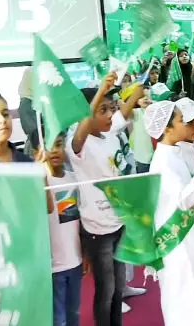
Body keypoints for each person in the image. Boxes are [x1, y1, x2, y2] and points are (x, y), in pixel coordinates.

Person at [145, 100, 194, 326]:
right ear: (167, 128)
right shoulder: (162, 161)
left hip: (189, 231)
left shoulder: (174, 153)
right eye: (182, 121)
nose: (188, 125)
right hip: (177, 240)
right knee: (183, 291)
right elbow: (181, 200)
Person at [66, 72, 127, 326]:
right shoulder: (77, 143)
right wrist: (101, 89)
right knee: (106, 290)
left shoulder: (111, 138)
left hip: (119, 220)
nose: (109, 115)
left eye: (111, 109)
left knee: (119, 287)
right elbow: (81, 131)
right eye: (102, 110)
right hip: (97, 227)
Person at [45, 133, 85, 326]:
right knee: (58, 319)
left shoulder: (73, 178)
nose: (54, 150)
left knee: (73, 312)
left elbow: (79, 219)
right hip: (53, 266)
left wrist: (85, 254)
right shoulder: (41, 182)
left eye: (58, 144)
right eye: (47, 146)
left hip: (75, 259)